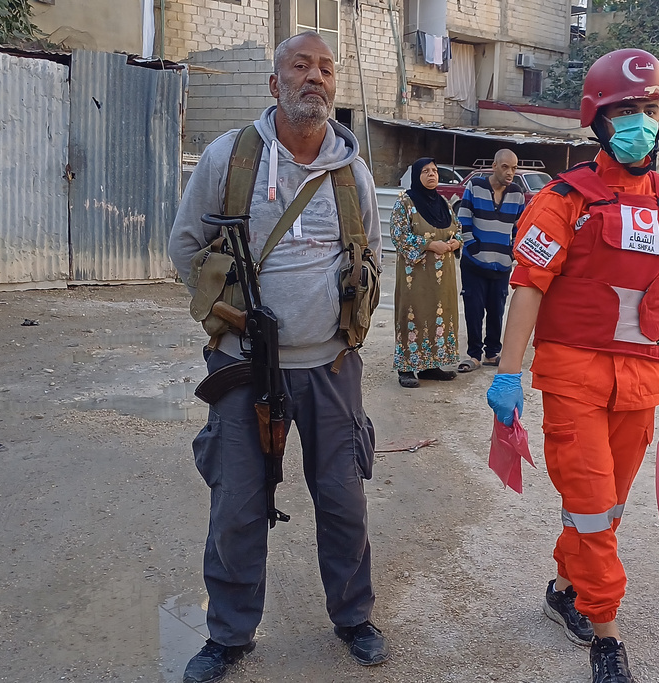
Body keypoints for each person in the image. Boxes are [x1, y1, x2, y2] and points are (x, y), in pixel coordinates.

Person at [485, 49, 659, 683]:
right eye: (625, 112)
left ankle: (564, 589)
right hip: (573, 378)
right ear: (597, 121)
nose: (640, 121)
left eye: (649, 109)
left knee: (604, 507)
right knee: (589, 502)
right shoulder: (562, 201)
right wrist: (508, 374)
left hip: (641, 379)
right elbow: (528, 286)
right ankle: (606, 638)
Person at [168, 31, 388, 683]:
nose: (314, 77)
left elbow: (371, 253)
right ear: (275, 84)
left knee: (344, 496)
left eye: (325, 68)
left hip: (331, 366)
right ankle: (229, 633)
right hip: (242, 363)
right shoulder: (228, 158)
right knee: (237, 500)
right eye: (300, 66)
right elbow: (187, 246)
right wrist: (228, 314)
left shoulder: (353, 173)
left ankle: (353, 615)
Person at [390, 157, 463, 388]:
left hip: (443, 278)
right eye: (425, 171)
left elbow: (458, 229)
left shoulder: (443, 203)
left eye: (434, 170)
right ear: (416, 176)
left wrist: (454, 244)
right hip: (416, 276)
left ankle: (431, 365)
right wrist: (430, 245)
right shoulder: (405, 203)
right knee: (413, 314)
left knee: (438, 314)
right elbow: (399, 235)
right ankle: (407, 368)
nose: (432, 174)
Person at [456, 149, 526, 372]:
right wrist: (472, 245)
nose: (510, 172)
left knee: (497, 310)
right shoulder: (475, 186)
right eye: (505, 167)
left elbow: (520, 226)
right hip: (474, 262)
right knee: (474, 309)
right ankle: (474, 355)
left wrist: (512, 251)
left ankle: (492, 353)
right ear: (494, 166)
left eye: (514, 168)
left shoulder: (517, 193)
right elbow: (464, 218)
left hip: (502, 264)